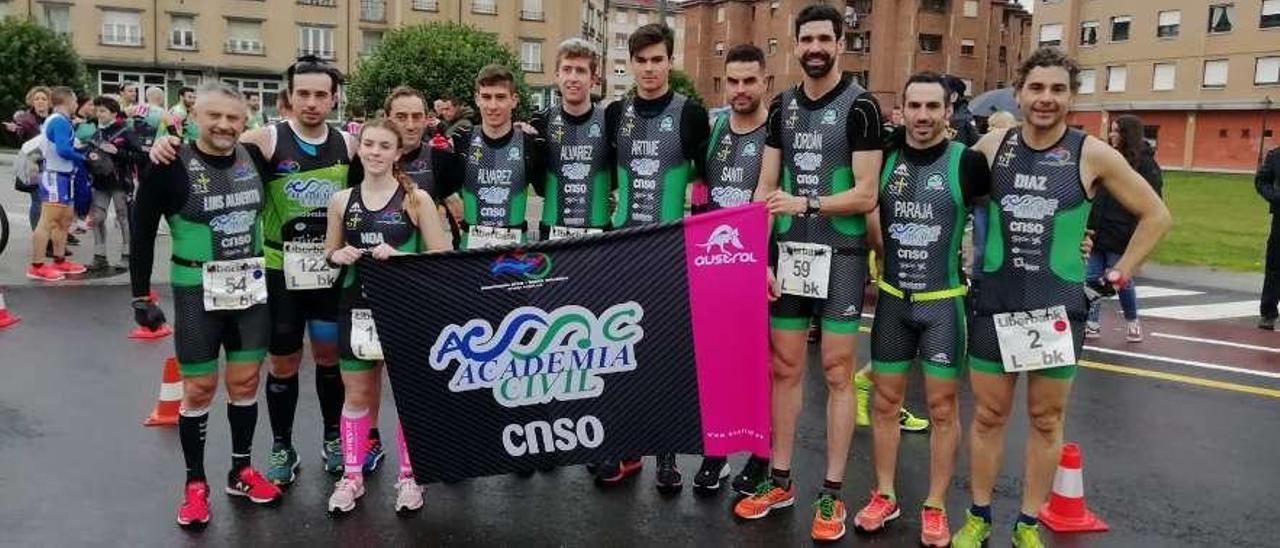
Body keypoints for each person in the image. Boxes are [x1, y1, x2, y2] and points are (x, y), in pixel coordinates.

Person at [952, 48, 1170, 548]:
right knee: (987, 417)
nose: (1046, 99)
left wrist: (1117, 275)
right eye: (1037, 88)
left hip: (1056, 309)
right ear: (1020, 92)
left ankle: (1027, 523)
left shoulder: (1092, 153)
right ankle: (979, 514)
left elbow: (1156, 215)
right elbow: (955, 202)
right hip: (996, 303)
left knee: (1046, 420)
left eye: (1057, 90)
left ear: (1071, 97)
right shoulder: (990, 145)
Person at [150, 56, 365, 485]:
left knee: (328, 358)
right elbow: (213, 146)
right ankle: (282, 446)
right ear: (289, 97)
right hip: (278, 271)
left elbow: (366, 195)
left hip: (327, 271)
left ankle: (332, 438)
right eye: (302, 93)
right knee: (282, 364)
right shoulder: (264, 139)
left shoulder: (349, 145)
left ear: (334, 98)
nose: (311, 102)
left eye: (321, 94)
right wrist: (166, 145)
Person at [733, 5, 881, 541]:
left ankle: (833, 493)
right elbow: (762, 189)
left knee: (839, 373)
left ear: (841, 43)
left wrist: (807, 204)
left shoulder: (861, 107)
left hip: (840, 259)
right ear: (795, 45)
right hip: (789, 258)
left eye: (825, 38)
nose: (815, 46)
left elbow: (866, 194)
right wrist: (757, 258)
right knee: (784, 369)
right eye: (807, 38)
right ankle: (780, 479)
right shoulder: (782, 107)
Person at [129, 82, 283, 529]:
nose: (223, 125)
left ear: (245, 120)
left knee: (246, 379)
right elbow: (140, 234)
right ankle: (195, 483)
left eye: (233, 118)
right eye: (214, 116)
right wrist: (141, 296)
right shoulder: (168, 163)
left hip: (248, 287)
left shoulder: (253, 157)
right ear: (193, 114)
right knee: (198, 389)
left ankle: (241, 471)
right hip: (196, 288)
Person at [853, 72, 992, 546]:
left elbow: (1006, 212)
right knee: (885, 403)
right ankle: (885, 494)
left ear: (948, 111)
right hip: (892, 302)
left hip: (942, 306)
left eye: (934, 107)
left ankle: (935, 505)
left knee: (942, 410)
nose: (924, 116)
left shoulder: (967, 163)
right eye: (915, 106)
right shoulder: (885, 157)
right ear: (902, 110)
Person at [595, 22, 709, 490]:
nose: (648, 69)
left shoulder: (691, 113)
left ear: (669, 61)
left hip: (670, 251)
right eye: (640, 61)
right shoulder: (614, 112)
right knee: (623, 350)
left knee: (665, 355)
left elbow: (705, 185)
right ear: (630, 63)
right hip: (624, 247)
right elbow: (601, 175)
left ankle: (666, 454)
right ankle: (626, 450)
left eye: (657, 59)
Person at [323, 118, 452, 515]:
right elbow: (328, 253)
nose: (375, 152)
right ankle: (352, 476)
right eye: (369, 145)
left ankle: (409, 477)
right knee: (357, 394)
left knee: (408, 397)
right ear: (359, 149)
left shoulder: (416, 199)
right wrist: (337, 255)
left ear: (398, 154)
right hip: (356, 308)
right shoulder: (341, 200)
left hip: (405, 311)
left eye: (384, 146)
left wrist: (402, 258)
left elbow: (443, 257)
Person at [695, 43, 771, 494]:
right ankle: (717, 451)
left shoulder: (776, 133)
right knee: (718, 360)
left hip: (762, 262)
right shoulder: (716, 129)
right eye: (734, 81)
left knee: (761, 366)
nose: (741, 90)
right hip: (717, 264)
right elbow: (703, 196)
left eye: (750, 81)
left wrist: (764, 260)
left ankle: (763, 455)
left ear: (765, 82)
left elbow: (776, 202)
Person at [1085, 114, 1162, 342]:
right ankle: (1092, 321)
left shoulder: (1146, 165)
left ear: (1128, 134)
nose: (1112, 135)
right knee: (1091, 277)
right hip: (1098, 230)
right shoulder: (1106, 159)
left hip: (1123, 233)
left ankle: (1132, 320)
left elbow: (1153, 204)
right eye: (1111, 130)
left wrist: (1137, 235)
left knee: (1120, 279)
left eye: (1117, 131)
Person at [453, 64, 547, 250]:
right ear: (477, 99)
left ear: (514, 100)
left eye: (501, 97)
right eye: (486, 97)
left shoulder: (530, 143)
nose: (493, 106)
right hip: (468, 252)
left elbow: (546, 191)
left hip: (515, 253)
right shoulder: (460, 140)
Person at [531, 38, 613, 241]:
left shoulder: (610, 120)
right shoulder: (541, 121)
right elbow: (537, 182)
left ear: (593, 79)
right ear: (557, 75)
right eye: (567, 69)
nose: (573, 77)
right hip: (552, 232)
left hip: (598, 233)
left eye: (581, 70)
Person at [384, 86, 464, 246]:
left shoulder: (443, 161)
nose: (410, 125)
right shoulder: (367, 161)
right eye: (401, 117)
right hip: (378, 264)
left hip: (423, 265)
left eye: (417, 117)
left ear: (426, 120)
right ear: (387, 119)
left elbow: (460, 223)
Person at [26, 86, 88, 281]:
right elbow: (62, 150)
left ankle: (60, 261)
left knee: (64, 221)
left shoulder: (60, 121)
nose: (77, 104)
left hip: (64, 176)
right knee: (47, 222)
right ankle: (36, 266)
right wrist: (84, 158)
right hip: (55, 176)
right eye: (75, 101)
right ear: (67, 101)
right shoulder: (59, 121)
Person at [85, 95, 144, 274]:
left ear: (114, 113)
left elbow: (140, 157)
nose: (99, 114)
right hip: (100, 182)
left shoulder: (125, 131)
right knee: (97, 218)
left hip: (121, 182)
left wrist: (118, 151)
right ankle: (99, 256)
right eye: (97, 110)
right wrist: (89, 157)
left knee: (123, 218)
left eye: (103, 111)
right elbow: (90, 156)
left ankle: (127, 255)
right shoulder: (96, 133)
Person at [6, 86, 52, 230]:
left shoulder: (54, 118)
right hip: (33, 165)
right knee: (38, 201)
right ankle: (39, 235)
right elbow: (21, 128)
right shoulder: (27, 119)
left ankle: (53, 235)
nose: (40, 102)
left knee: (52, 203)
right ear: (31, 102)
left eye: (43, 99)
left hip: (53, 165)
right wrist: (15, 130)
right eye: (36, 99)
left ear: (49, 102)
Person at [1258, 145, 1280, 330]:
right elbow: (1261, 181)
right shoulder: (1276, 156)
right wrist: (1274, 196)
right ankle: (1268, 313)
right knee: (1274, 267)